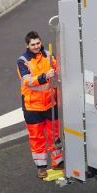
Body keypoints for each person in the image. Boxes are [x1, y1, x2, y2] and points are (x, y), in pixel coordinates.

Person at [18, 31, 63, 178]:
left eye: (38, 43)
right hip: (33, 107)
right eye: (33, 44)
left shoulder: (47, 55)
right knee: (37, 137)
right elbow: (27, 81)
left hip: (50, 103)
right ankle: (41, 167)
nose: (36, 46)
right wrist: (45, 77)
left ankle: (58, 162)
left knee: (55, 134)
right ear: (27, 45)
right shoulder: (22, 61)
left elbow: (58, 69)